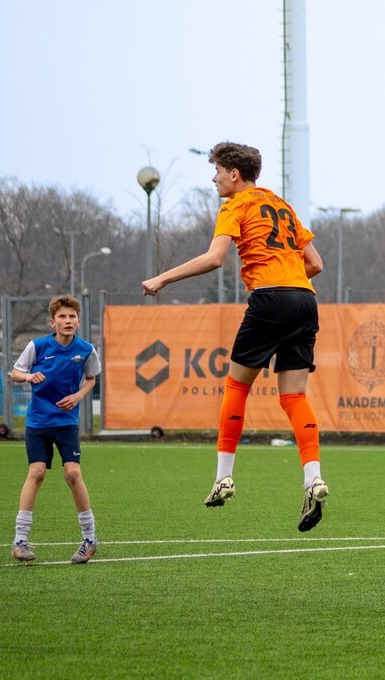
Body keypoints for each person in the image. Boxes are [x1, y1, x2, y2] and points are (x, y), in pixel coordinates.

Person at [141, 142, 328, 532]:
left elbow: (214, 258)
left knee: (237, 386)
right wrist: (288, 284)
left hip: (270, 298)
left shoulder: (234, 205)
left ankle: (223, 477)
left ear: (234, 175)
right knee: (294, 397)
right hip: (305, 300)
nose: (214, 179)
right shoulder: (281, 205)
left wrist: (163, 278)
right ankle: (313, 479)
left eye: (217, 171)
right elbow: (315, 263)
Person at [9, 295, 102, 564]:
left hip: (66, 423)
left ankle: (90, 539)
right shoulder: (37, 346)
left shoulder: (86, 350)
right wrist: (28, 376)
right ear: (53, 322)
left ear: (78, 321)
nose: (68, 321)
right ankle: (19, 541)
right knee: (36, 473)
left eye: (72, 316)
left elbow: (91, 379)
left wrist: (78, 396)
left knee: (72, 474)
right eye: (62, 317)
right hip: (38, 423)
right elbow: (15, 373)